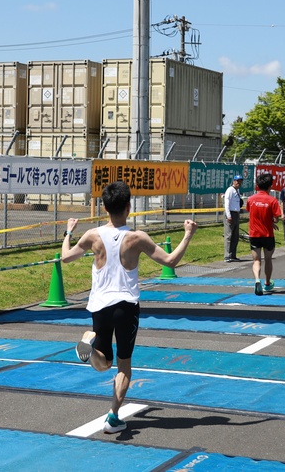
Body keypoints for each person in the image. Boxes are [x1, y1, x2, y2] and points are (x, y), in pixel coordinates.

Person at [62, 181, 197, 434]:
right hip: (126, 306)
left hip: (99, 306)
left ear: (104, 207)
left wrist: (68, 232)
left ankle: (89, 350)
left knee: (103, 362)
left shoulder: (92, 235)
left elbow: (66, 257)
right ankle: (113, 416)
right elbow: (170, 260)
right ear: (128, 206)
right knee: (123, 364)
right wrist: (187, 235)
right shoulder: (137, 238)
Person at [247, 172, 282, 295]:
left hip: (254, 234)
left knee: (256, 260)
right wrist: (272, 221)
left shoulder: (251, 199)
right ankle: (267, 283)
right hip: (267, 235)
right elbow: (277, 218)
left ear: (257, 185)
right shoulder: (272, 201)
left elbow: (251, 212)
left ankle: (257, 280)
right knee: (268, 259)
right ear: (270, 186)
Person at [223, 174, 243, 262]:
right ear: (234, 181)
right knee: (228, 235)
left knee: (235, 236)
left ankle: (233, 255)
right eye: (237, 181)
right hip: (230, 213)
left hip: (236, 213)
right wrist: (228, 215)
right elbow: (227, 203)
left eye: (240, 181)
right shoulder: (230, 190)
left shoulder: (237, 191)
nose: (239, 183)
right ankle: (227, 255)